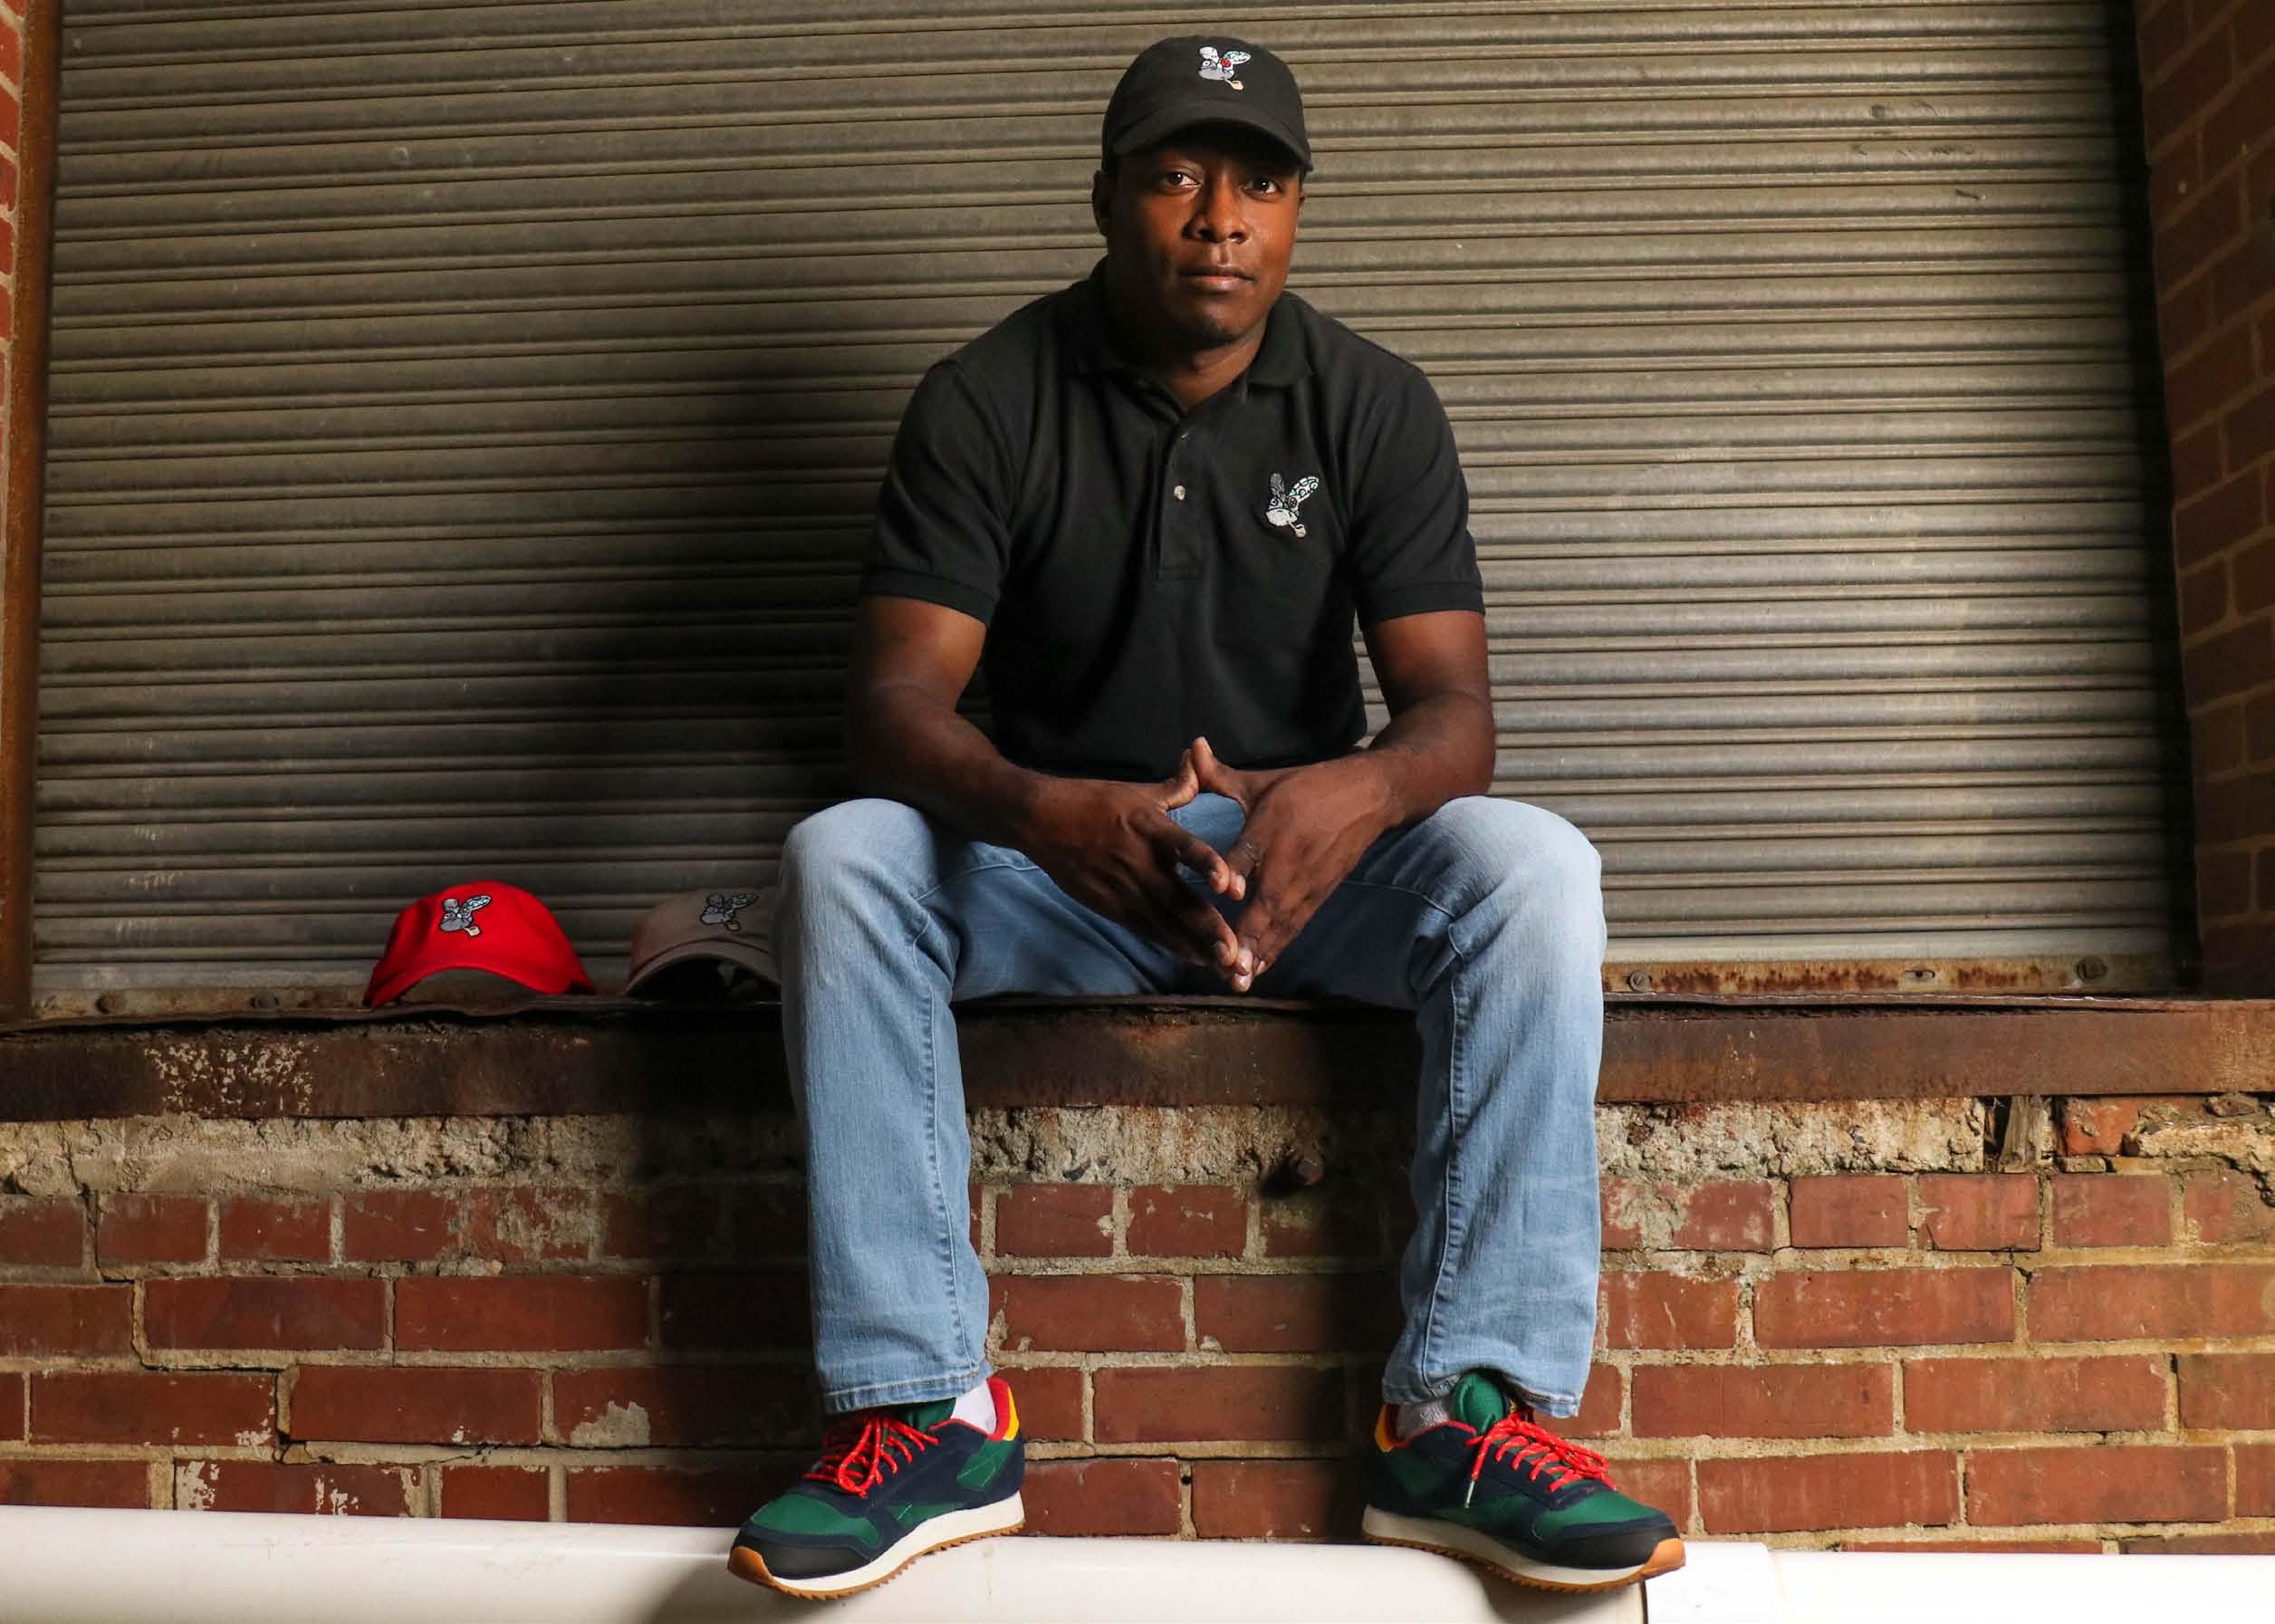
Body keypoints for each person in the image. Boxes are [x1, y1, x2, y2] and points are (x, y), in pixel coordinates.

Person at [726, 34, 1685, 1600]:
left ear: (1297, 209)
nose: (1220, 217)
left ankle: (1461, 1417)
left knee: (1535, 867)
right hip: (1053, 867)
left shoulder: (1372, 403)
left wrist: (1351, 792)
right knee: (841, 857)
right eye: (1177, 175)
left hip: (1304, 872)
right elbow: (893, 704)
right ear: (1108, 196)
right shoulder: (988, 398)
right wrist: (1049, 813)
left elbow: (1457, 714)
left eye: (1261, 183)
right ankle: (928, 1412)